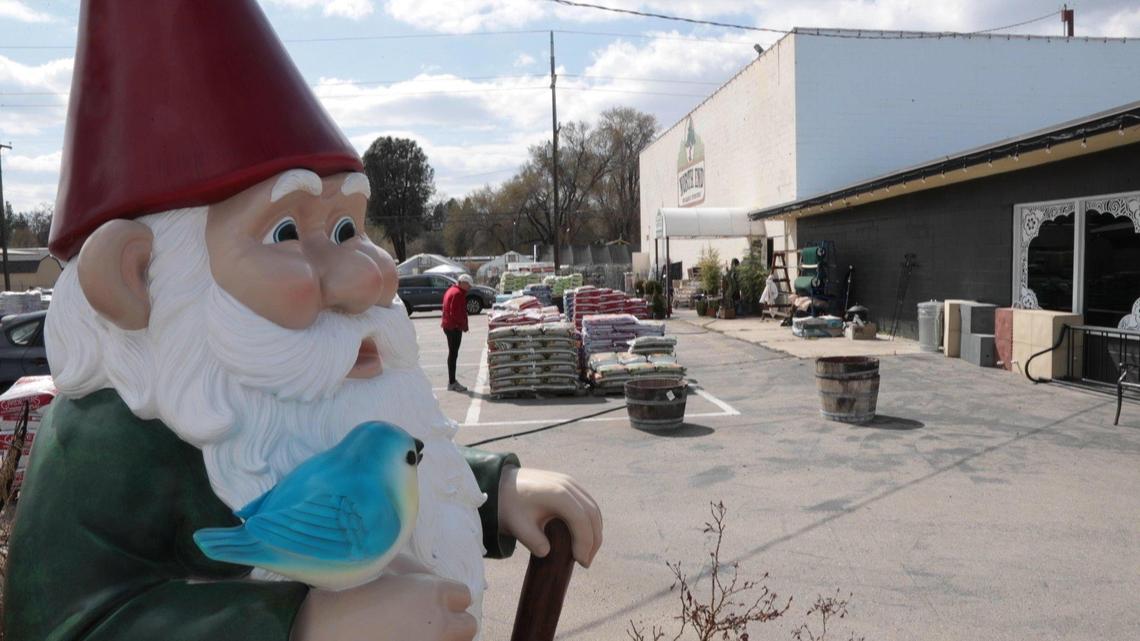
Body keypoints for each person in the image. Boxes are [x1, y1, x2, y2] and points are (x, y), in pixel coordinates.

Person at [5, 3, 603, 641]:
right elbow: (61, 623)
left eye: (349, 229)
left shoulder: (290, 390)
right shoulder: (109, 438)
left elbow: (357, 465)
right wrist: (299, 623)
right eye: (286, 231)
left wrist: (493, 490)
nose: (367, 279)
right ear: (140, 274)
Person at [442, 274, 472, 392]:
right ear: (463, 283)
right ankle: (452, 382)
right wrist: (463, 325)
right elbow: (455, 313)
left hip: (449, 326)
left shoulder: (452, 290)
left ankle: (452, 381)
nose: (469, 288)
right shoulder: (458, 294)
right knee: (453, 354)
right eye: (468, 285)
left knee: (452, 354)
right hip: (453, 328)